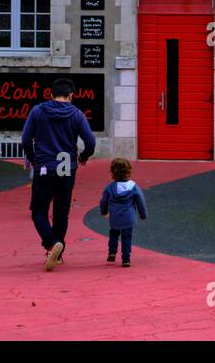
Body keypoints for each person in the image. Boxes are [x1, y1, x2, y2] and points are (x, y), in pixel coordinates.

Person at [20, 78, 96, 271]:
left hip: (45, 166)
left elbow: (26, 139)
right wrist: (84, 156)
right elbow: (90, 141)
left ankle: (52, 244)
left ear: (51, 94)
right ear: (71, 95)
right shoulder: (77, 115)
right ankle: (58, 254)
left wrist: (34, 159)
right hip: (67, 167)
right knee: (62, 212)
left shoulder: (38, 111)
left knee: (38, 211)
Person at [99, 158, 148, 267]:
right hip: (128, 217)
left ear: (113, 172)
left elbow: (103, 201)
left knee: (114, 233)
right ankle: (126, 259)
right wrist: (143, 214)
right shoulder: (133, 187)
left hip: (115, 217)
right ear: (128, 171)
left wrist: (104, 211)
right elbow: (140, 201)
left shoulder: (110, 188)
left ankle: (112, 252)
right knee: (127, 237)